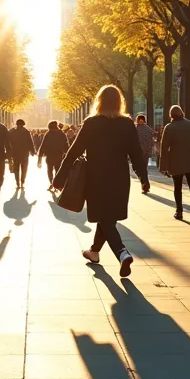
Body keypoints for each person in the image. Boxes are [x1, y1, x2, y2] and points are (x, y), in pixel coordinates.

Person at [52, 85, 148, 277]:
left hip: (96, 177)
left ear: (99, 101)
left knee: (104, 217)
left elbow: (74, 151)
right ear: (119, 102)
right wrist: (143, 177)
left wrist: (60, 176)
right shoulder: (127, 124)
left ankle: (122, 253)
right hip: (120, 177)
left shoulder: (91, 123)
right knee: (108, 217)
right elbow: (136, 153)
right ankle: (94, 252)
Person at [159, 105, 190, 220]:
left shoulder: (169, 127)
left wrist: (163, 166)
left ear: (171, 115)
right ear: (182, 113)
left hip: (175, 161)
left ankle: (179, 211)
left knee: (177, 186)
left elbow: (164, 147)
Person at [38, 121, 69, 189]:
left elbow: (43, 146)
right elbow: (66, 146)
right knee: (56, 170)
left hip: (50, 156)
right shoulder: (61, 134)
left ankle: (53, 183)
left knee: (50, 171)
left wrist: (39, 158)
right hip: (58, 156)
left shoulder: (48, 134)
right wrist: (68, 154)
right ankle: (54, 184)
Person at [8, 118, 34, 189]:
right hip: (24, 153)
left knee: (16, 168)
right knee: (24, 168)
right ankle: (22, 181)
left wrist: (9, 152)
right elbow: (30, 142)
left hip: (15, 153)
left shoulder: (12, 132)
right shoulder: (26, 132)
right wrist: (32, 151)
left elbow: (8, 143)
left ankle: (17, 182)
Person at [134, 114, 155, 193]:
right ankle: (145, 185)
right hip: (145, 152)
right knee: (143, 169)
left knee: (137, 168)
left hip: (137, 152)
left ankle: (144, 184)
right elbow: (152, 142)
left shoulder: (134, 129)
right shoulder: (149, 129)